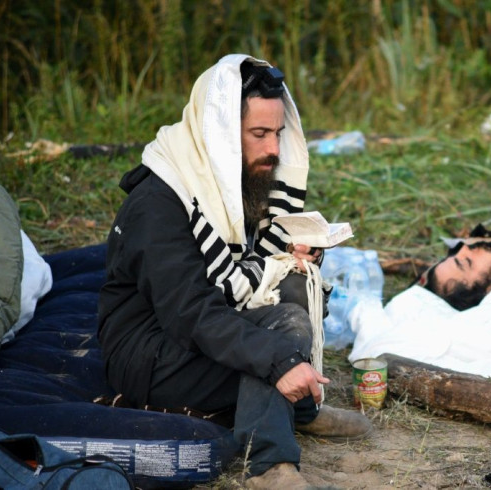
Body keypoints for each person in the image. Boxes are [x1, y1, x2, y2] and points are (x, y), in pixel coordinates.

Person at [97, 54, 371, 489]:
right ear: (221, 133)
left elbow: (243, 268)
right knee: (281, 333)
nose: (273, 149)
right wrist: (278, 359)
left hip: (202, 325)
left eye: (278, 134)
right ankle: (268, 465)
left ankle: (297, 410)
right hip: (151, 352)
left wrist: (294, 254)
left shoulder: (230, 176)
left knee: (295, 283)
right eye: (259, 134)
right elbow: (191, 314)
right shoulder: (159, 202)